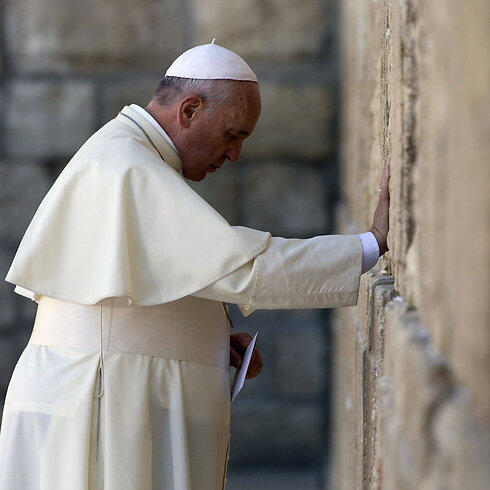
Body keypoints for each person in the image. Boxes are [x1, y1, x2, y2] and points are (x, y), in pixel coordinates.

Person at [0, 40, 390, 489]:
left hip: (96, 390)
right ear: (188, 111)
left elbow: (123, 300)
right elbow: (243, 269)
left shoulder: (125, 153)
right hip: (98, 401)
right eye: (232, 135)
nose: (234, 155)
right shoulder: (129, 167)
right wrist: (370, 245)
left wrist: (197, 334)